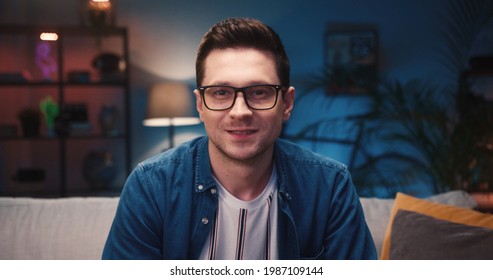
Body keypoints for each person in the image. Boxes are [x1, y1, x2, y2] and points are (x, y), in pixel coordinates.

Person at [102, 17, 377, 260]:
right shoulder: (151, 186)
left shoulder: (329, 187)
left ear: (287, 103)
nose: (240, 112)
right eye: (221, 92)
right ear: (200, 105)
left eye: (259, 92)